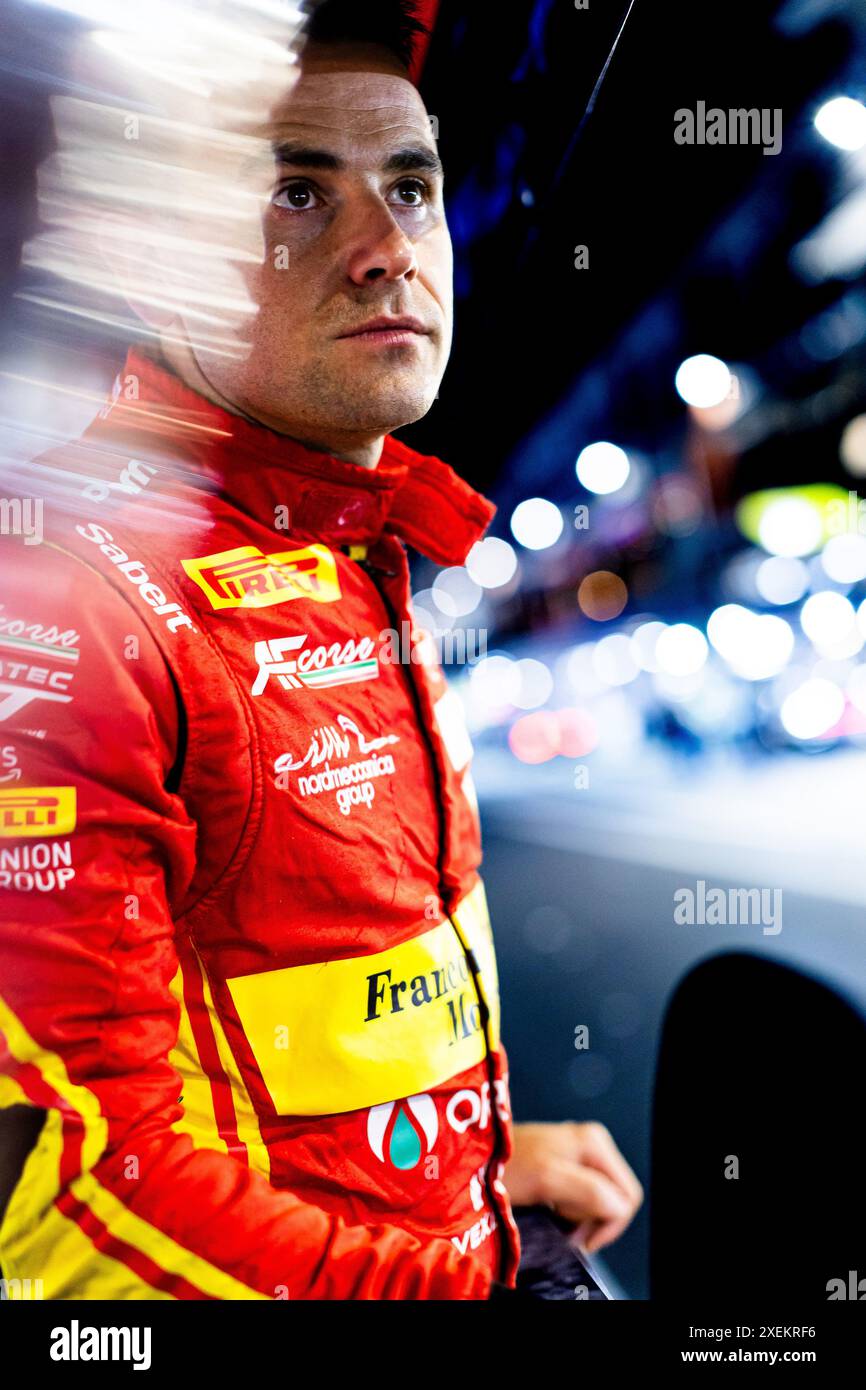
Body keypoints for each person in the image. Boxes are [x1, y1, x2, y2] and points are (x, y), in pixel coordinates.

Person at [0, 0, 642, 1299]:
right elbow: (75, 1201)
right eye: (296, 189)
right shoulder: (75, 599)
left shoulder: (351, 551)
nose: (384, 246)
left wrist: (468, 1177)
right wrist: (463, 1285)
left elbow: (295, 1044)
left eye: (410, 185)